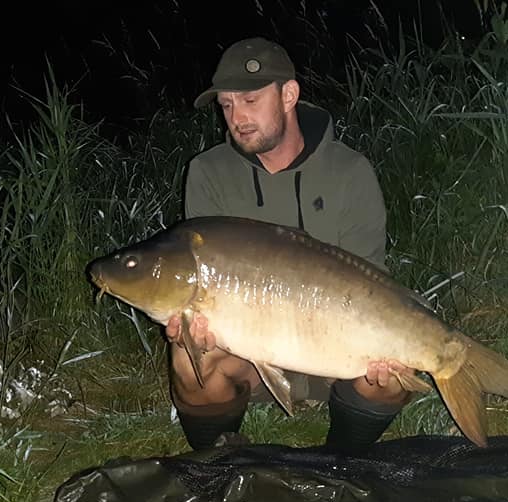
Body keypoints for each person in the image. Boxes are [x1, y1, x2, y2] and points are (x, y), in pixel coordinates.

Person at [168, 37, 413, 451]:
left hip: (338, 352)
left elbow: (370, 281)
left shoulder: (350, 171)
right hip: (250, 355)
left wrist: (386, 342)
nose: (237, 117)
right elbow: (204, 270)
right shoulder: (208, 172)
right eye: (226, 105)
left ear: (289, 95)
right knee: (188, 360)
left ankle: (343, 459)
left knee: (394, 375)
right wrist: (194, 328)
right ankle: (219, 465)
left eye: (250, 100)